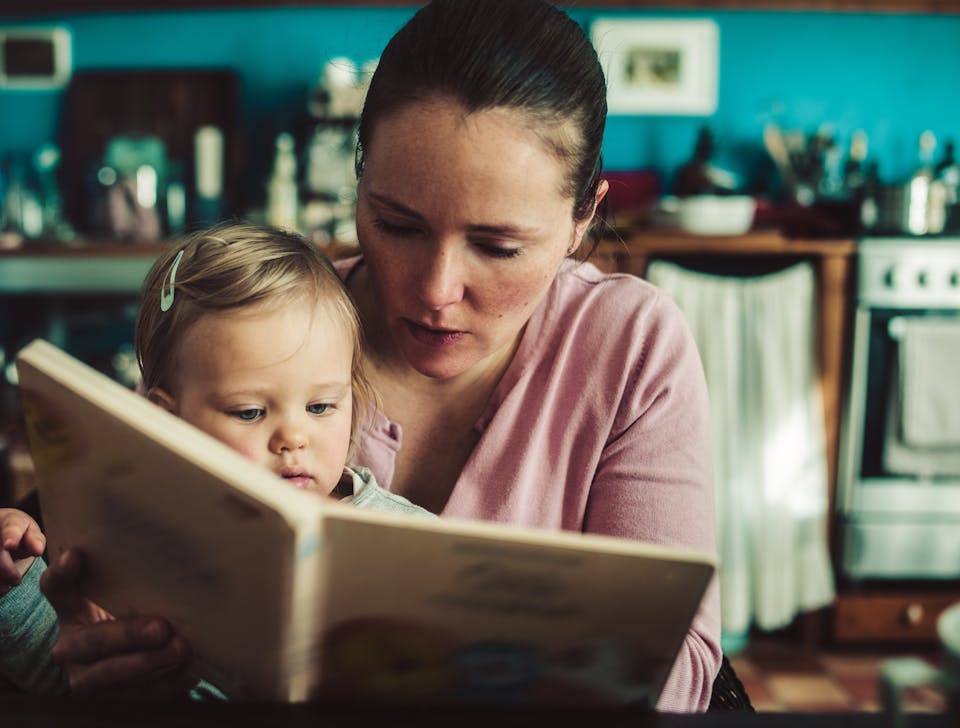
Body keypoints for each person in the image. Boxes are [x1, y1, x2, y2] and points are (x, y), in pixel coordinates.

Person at [35, 0, 721, 713]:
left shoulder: (631, 345)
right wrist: (107, 656)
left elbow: (677, 675)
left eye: (497, 247)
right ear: (359, 184)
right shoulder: (257, 329)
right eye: (398, 225)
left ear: (583, 218)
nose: (435, 290)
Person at [0, 222, 434, 696]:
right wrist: (7, 583)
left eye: (321, 406)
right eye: (249, 412)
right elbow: (62, 674)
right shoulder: (134, 543)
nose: (293, 437)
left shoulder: (412, 540)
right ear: (168, 419)